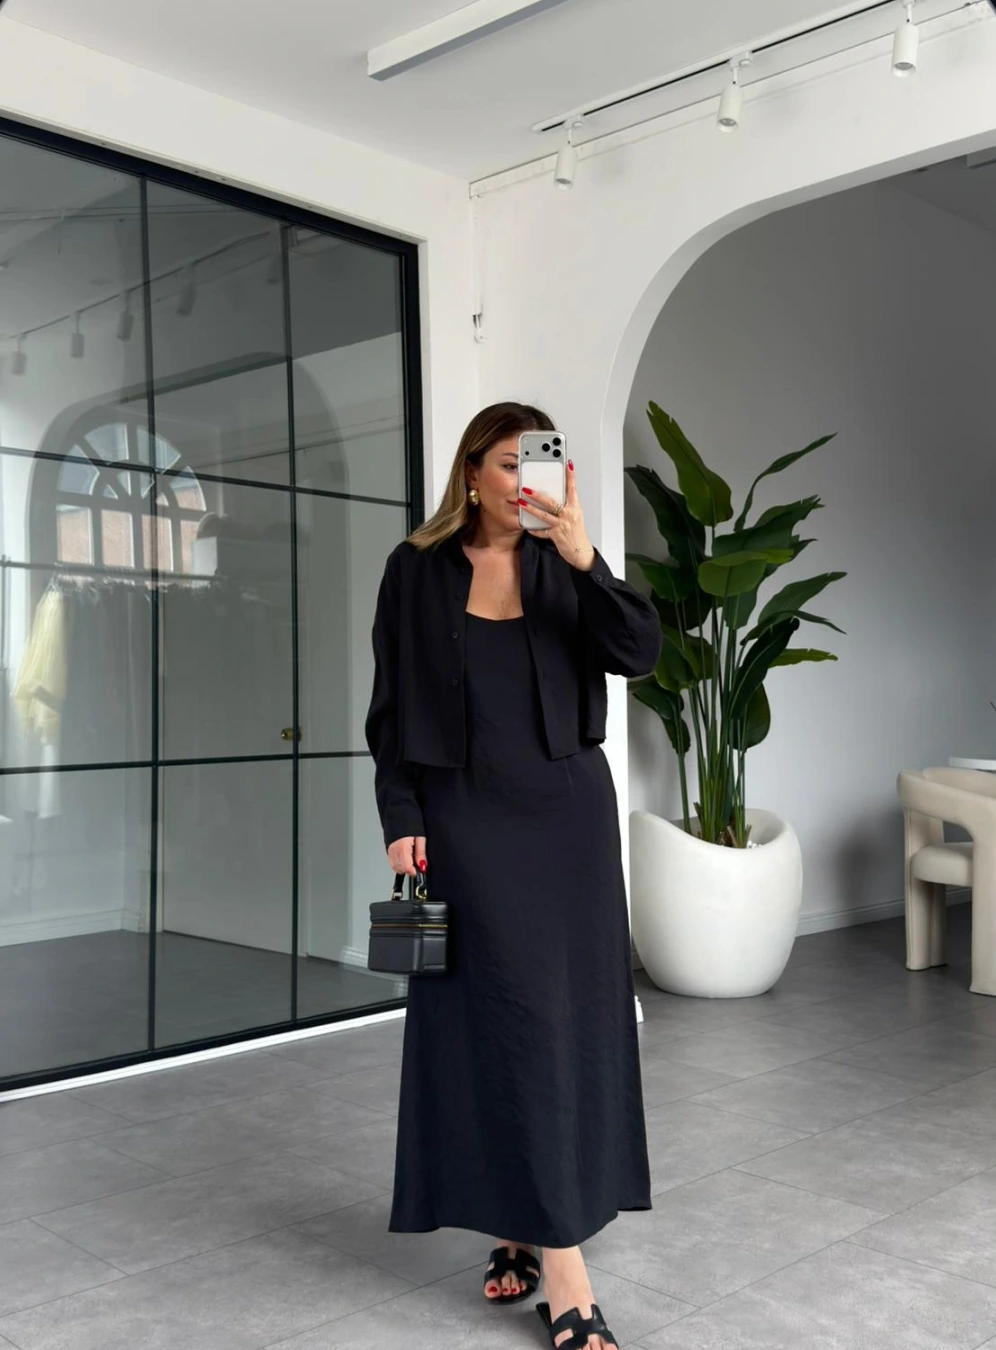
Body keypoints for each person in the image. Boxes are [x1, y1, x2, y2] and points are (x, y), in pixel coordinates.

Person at [365, 402, 662, 1350]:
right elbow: (388, 709)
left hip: (566, 820)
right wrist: (401, 818)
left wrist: (585, 558)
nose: (524, 480)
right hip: (463, 822)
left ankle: (543, 1244)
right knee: (494, 1024)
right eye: (506, 463)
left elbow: (639, 652)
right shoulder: (413, 570)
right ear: (471, 473)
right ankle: (538, 1240)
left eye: (539, 463)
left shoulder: (563, 562)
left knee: (559, 1025)